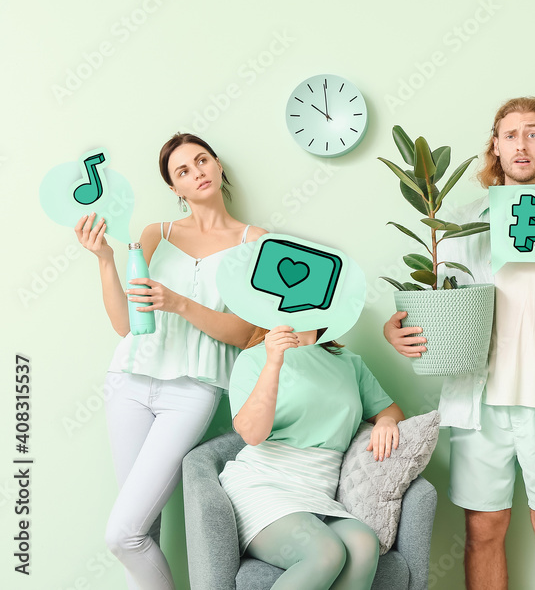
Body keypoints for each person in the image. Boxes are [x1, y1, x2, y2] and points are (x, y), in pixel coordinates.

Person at [384, 96, 535, 590]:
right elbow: (437, 300)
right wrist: (395, 327)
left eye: (533, 132)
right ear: (495, 145)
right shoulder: (463, 224)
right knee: (483, 530)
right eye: (510, 134)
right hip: (481, 401)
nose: (521, 144)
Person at [75, 133, 265, 590]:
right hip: (127, 381)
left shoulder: (255, 241)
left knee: (123, 535)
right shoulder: (154, 235)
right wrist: (104, 261)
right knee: (141, 529)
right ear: (175, 189)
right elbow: (126, 326)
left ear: (218, 166)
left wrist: (179, 303)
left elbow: (243, 334)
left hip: (193, 390)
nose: (196, 171)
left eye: (202, 161)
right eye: (183, 170)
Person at [220, 324, 405, 590]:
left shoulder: (349, 363)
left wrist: (386, 421)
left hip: (319, 490)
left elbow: (391, 410)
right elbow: (251, 434)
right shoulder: (253, 358)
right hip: (264, 485)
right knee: (326, 553)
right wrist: (274, 362)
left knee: (364, 544)